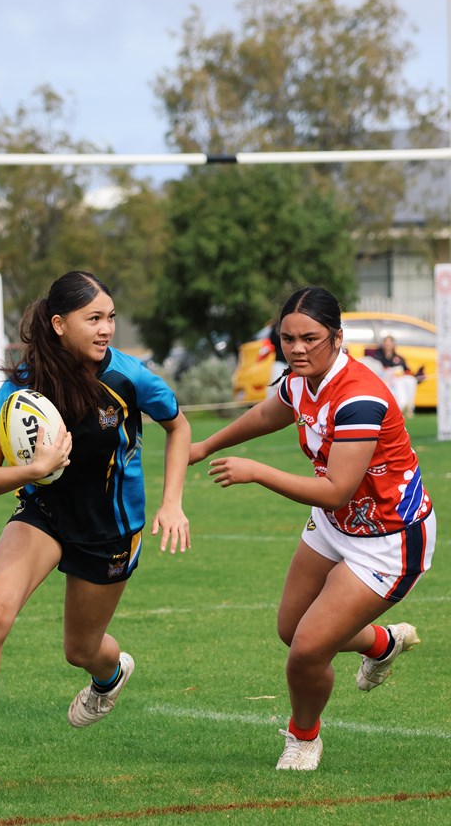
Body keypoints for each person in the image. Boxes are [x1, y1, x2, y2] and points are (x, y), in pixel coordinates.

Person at [0, 270, 191, 791]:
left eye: (110, 317)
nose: (106, 328)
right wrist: (34, 468)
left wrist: (173, 502)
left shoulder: (129, 377)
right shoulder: (25, 383)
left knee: (81, 649)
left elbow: (178, 426)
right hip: (44, 514)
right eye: (93, 318)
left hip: (110, 528)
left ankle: (109, 676)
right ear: (58, 323)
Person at [189, 286, 436, 771]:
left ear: (337, 337)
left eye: (311, 338)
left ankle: (304, 738)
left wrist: (257, 472)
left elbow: (337, 489)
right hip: (335, 525)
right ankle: (383, 644)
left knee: (306, 650)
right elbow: (266, 413)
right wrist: (204, 445)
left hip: (387, 540)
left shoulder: (360, 398)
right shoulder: (301, 379)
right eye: (288, 338)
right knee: (291, 629)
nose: (298, 348)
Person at [370, 335, 419, 418]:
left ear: (393, 345)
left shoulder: (399, 358)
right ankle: (402, 407)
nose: (388, 345)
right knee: (397, 383)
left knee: (411, 380)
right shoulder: (377, 357)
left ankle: (409, 407)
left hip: (398, 381)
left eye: (390, 343)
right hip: (384, 382)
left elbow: (407, 371)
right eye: (386, 343)